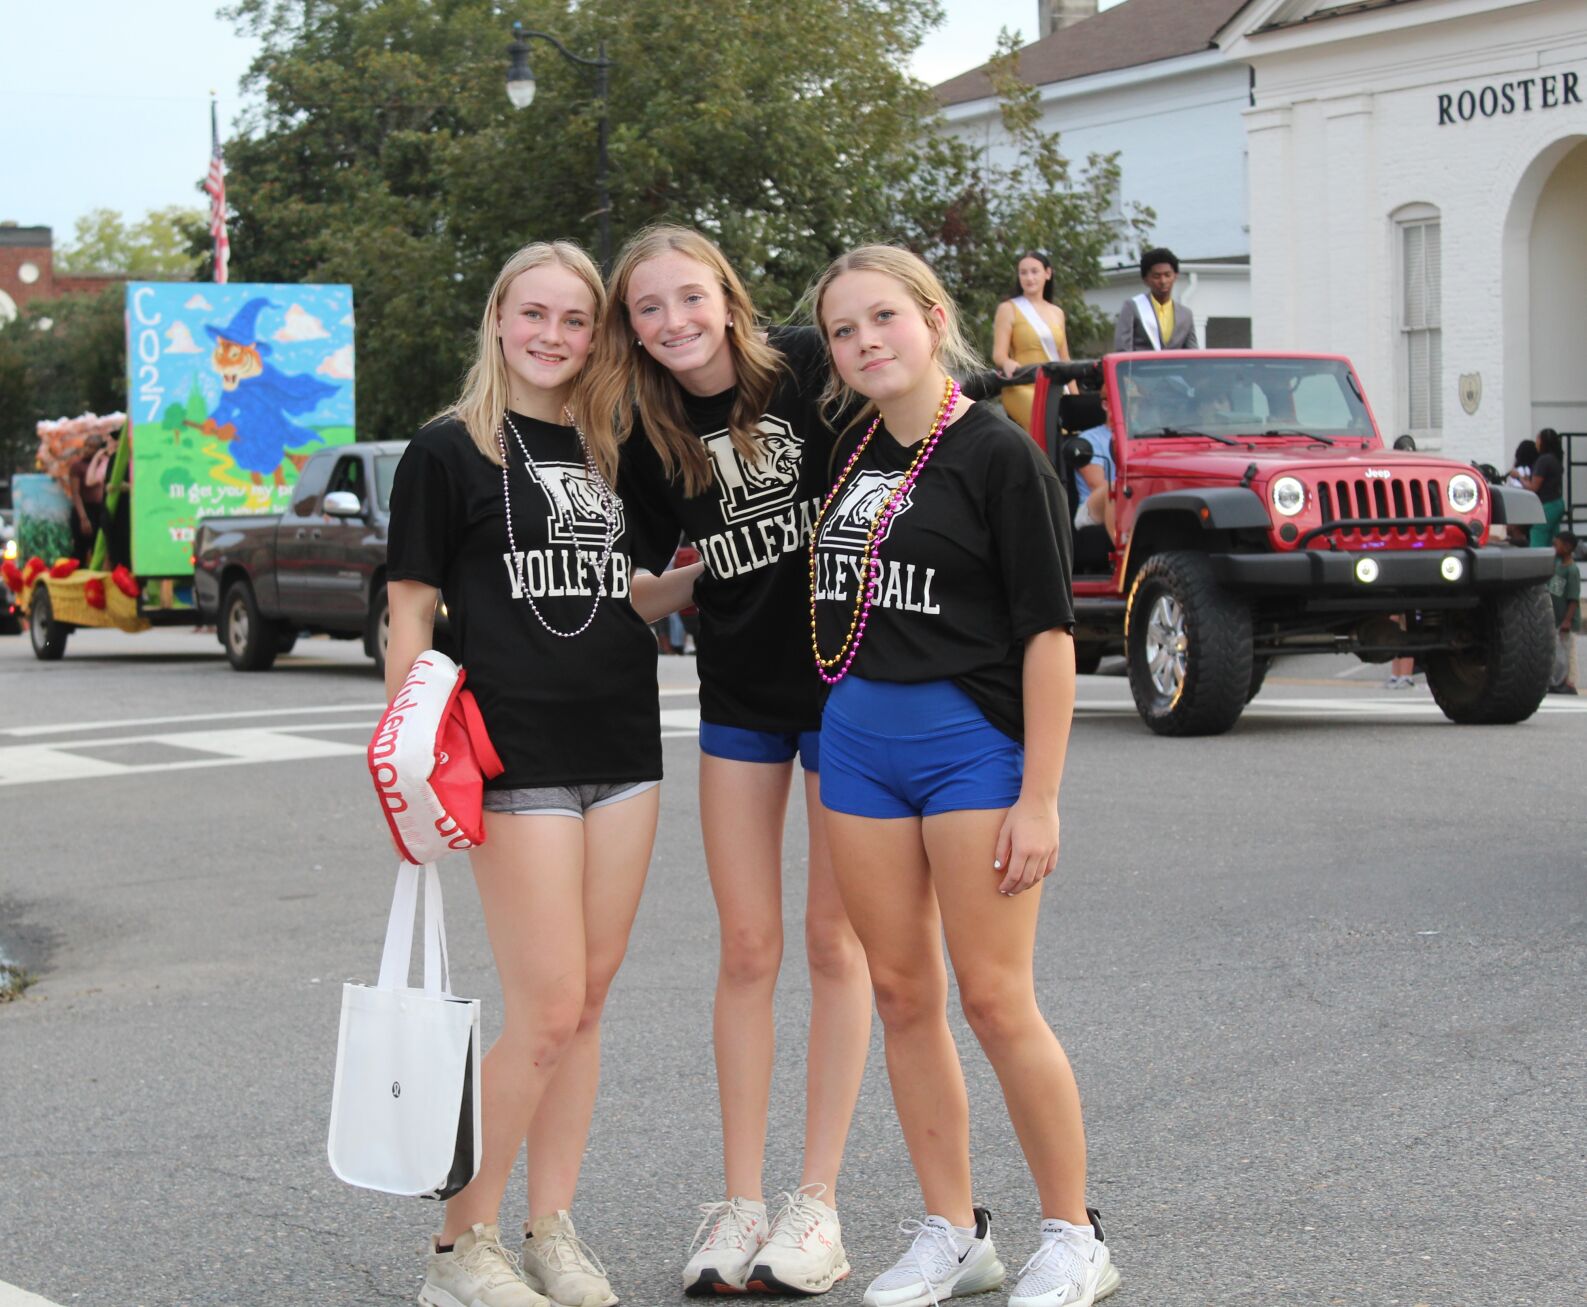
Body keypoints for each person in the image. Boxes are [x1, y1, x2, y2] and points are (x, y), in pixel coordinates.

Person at [808, 244, 1119, 1307]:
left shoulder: (998, 454)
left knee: (993, 997)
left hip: (968, 748)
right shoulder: (847, 450)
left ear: (934, 318)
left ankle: (1076, 1234)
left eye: (883, 317)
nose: (864, 343)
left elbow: (1048, 634)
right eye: (845, 331)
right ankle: (953, 1229)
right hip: (856, 746)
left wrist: (1041, 794)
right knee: (900, 993)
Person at [585, 224, 871, 1297]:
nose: (673, 322)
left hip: (849, 686)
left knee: (832, 939)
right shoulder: (649, 429)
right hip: (738, 696)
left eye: (688, 298)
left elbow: (905, 452)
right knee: (747, 945)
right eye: (648, 308)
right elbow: (648, 588)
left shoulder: (806, 366)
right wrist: (674, 583)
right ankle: (741, 1198)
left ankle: (817, 1203)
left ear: (727, 296)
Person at [386, 240, 666, 1307]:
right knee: (544, 1007)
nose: (554, 334)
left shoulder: (613, 445)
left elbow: (624, 591)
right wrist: (406, 753)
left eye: (575, 319)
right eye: (533, 313)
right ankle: (461, 1246)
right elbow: (411, 611)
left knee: (587, 1003)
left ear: (596, 334)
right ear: (499, 318)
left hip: (625, 746)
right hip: (512, 753)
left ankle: (550, 1226)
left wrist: (688, 583)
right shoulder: (447, 451)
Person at [992, 251, 1073, 435]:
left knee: (1071, 427)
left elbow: (1064, 359)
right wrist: (1006, 362)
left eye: (1034, 271)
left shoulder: (1057, 312)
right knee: (1044, 425)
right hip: (1022, 385)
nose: (1029, 278)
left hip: (1055, 386)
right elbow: (999, 354)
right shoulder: (1008, 309)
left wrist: (1075, 397)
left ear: (1048, 273)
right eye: (1023, 272)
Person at [1113, 247, 1197, 352]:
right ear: (1145, 279)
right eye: (1157, 276)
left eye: (1167, 275)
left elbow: (1192, 354)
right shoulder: (1132, 307)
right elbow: (1123, 350)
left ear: (1175, 276)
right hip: (1141, 368)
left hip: (1175, 368)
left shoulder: (1186, 314)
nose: (1163, 281)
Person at [1548, 528, 1580, 695]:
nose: (1554, 548)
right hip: (1556, 618)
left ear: (1567, 547)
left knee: (1567, 652)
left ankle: (1568, 682)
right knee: (1557, 651)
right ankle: (1555, 680)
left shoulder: (1572, 570)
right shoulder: (1558, 566)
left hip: (1566, 620)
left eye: (1556, 545)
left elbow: (1573, 598)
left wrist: (1567, 620)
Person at [1523, 429, 1566, 547]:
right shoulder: (1556, 459)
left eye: (1537, 439)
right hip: (1557, 503)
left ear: (1543, 442)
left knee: (1538, 534)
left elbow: (1533, 488)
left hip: (1546, 506)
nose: (1536, 442)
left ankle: (1537, 564)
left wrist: (1520, 478)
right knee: (1553, 540)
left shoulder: (1543, 460)